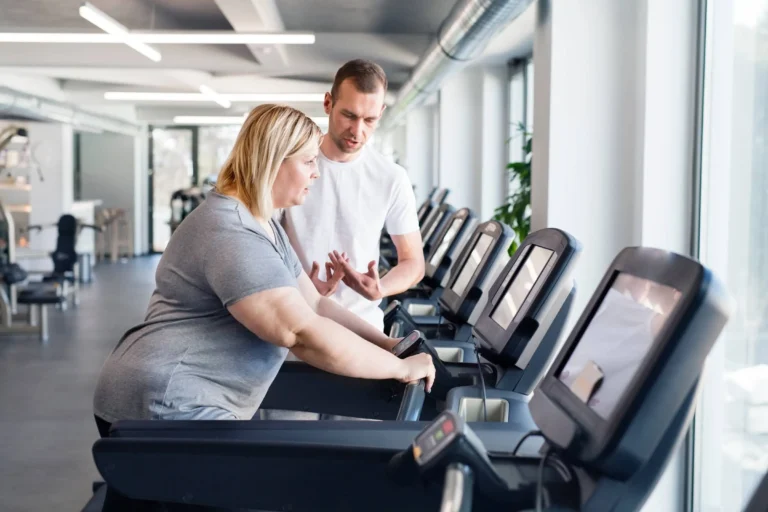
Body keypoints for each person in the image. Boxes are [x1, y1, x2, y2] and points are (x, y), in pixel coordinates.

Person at [92, 104, 435, 432]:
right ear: (273, 162)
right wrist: (400, 368)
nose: (316, 172)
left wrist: (387, 345)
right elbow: (300, 332)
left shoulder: (262, 223)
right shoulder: (231, 232)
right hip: (167, 402)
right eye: (308, 161)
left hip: (181, 394)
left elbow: (315, 304)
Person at [282, 59, 425, 332]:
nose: (358, 131)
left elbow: (413, 262)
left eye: (369, 120)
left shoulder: (391, 178)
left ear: (381, 113)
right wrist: (296, 282)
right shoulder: (290, 165)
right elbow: (261, 246)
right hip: (294, 322)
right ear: (328, 103)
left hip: (361, 328)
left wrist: (380, 288)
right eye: (349, 115)